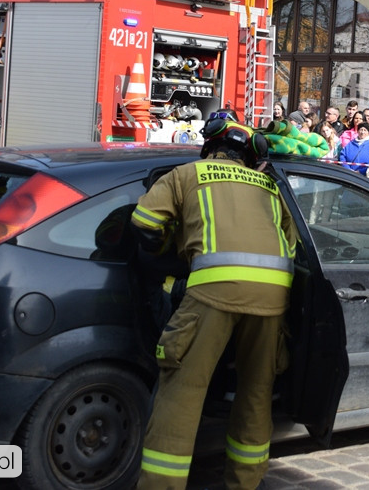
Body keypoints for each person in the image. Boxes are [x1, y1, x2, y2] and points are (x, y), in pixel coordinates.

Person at [132, 118, 297, 490]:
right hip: (272, 300)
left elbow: (143, 222)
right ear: (250, 158)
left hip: (213, 292)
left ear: (209, 147)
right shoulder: (271, 186)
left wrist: (171, 251)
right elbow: (291, 245)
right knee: (255, 395)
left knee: (183, 392)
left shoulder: (187, 174)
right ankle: (245, 483)